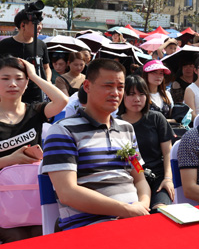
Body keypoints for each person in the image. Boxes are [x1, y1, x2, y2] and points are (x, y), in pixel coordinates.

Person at [42, 59, 151, 231]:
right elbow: (67, 192)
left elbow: (139, 176)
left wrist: (142, 205)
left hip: (133, 220)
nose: (115, 93)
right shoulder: (63, 131)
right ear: (87, 86)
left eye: (120, 87)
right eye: (108, 86)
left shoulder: (126, 129)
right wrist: (126, 210)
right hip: (87, 226)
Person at [0, 57, 68, 243]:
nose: (12, 84)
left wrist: (35, 75)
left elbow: (62, 100)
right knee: (15, 238)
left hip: (34, 193)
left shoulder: (35, 111)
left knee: (42, 234)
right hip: (3, 198)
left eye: (19, 78)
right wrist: (11, 160)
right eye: (5, 78)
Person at [118, 75, 175, 210]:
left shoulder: (156, 118)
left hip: (158, 177)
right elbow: (129, 158)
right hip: (130, 180)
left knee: (160, 211)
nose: (137, 99)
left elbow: (168, 153)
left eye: (141, 94)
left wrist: (168, 179)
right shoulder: (116, 124)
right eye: (131, 94)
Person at [0, 9, 52, 103]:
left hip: (36, 96)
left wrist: (47, 81)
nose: (40, 27)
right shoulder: (4, 45)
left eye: (41, 24)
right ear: (23, 25)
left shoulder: (41, 45)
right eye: (36, 24)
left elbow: (46, 67)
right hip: (11, 93)